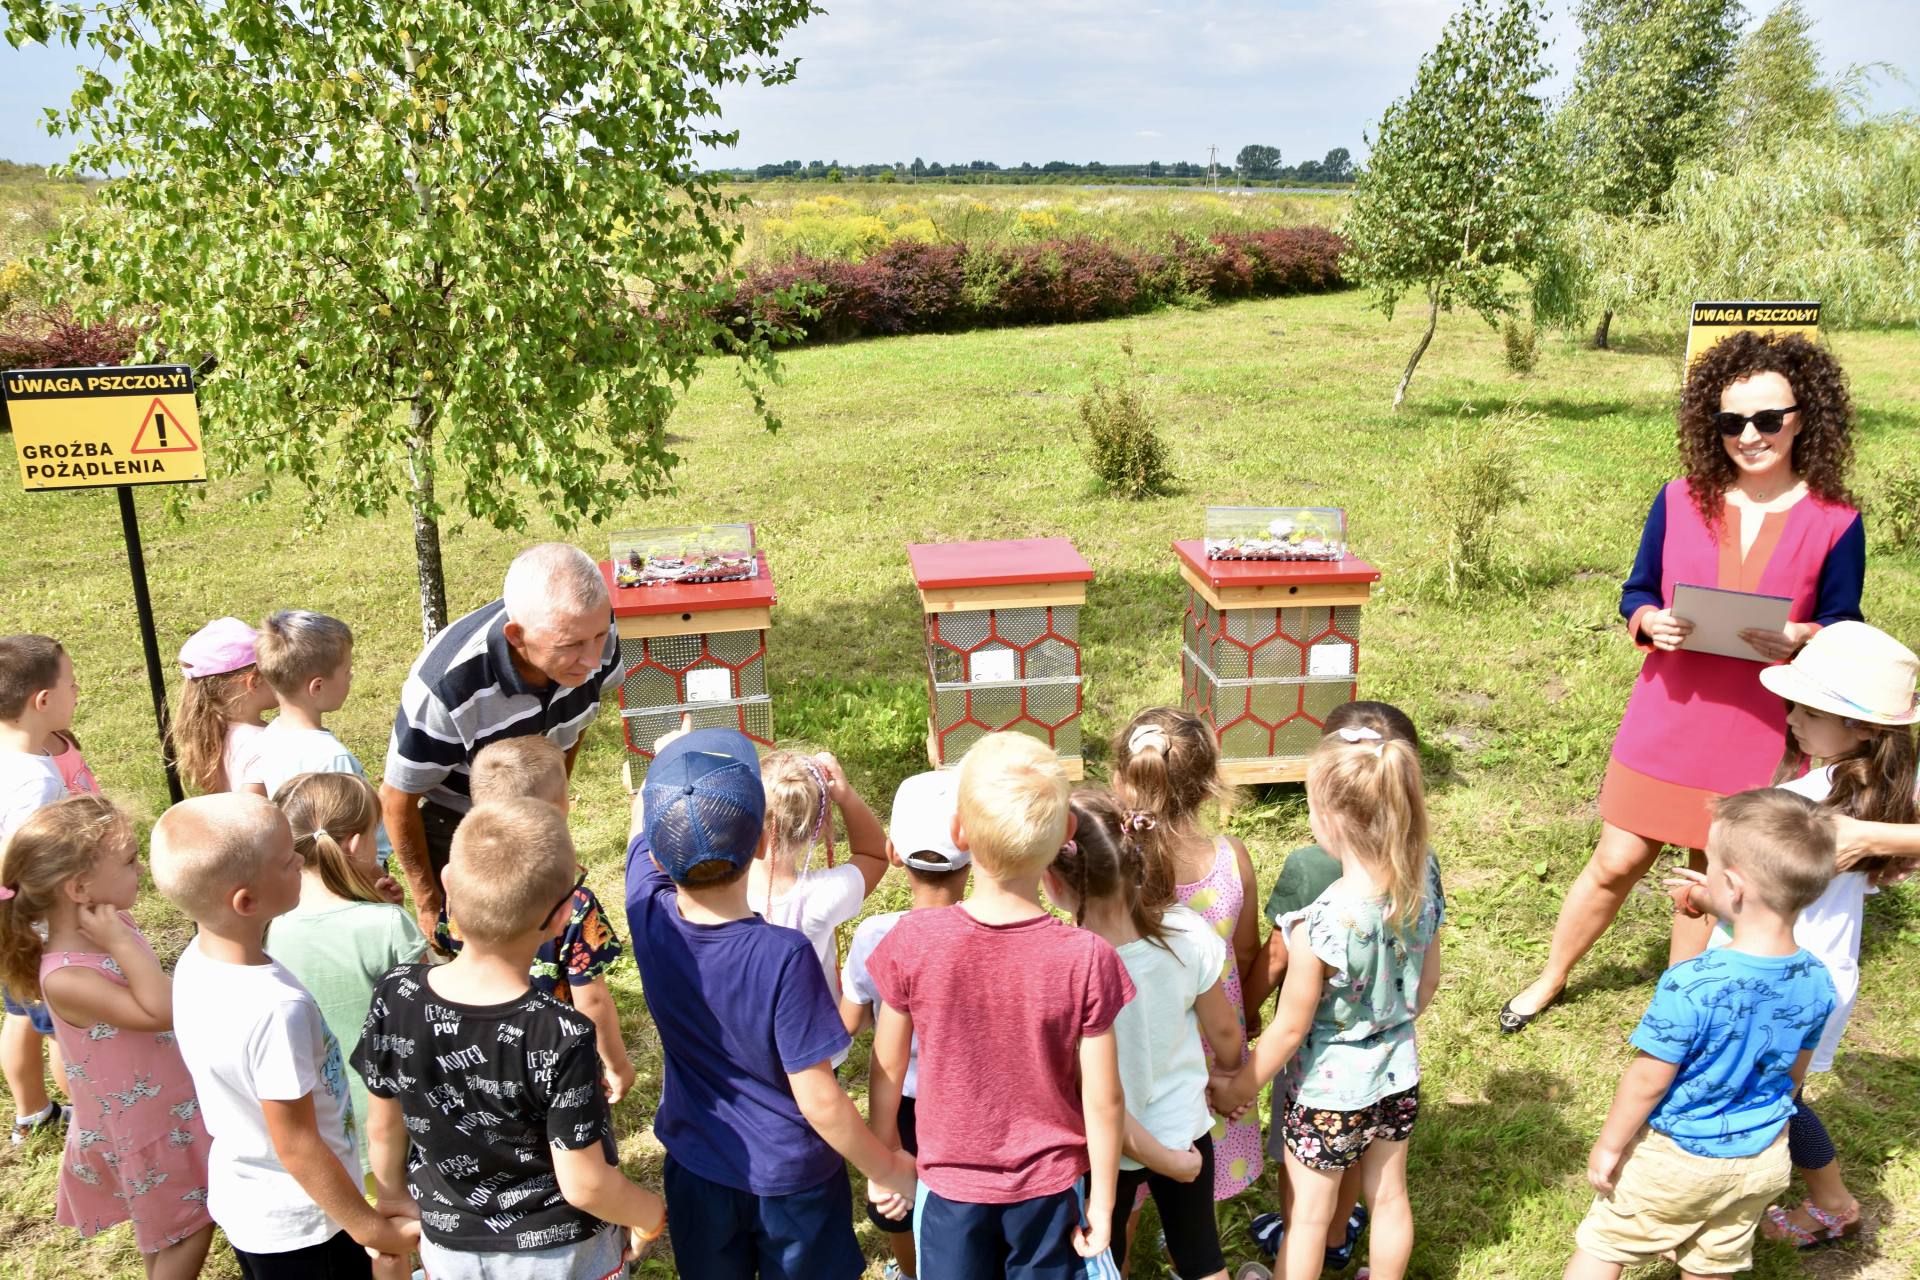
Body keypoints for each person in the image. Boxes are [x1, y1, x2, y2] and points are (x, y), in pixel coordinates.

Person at [1503, 331, 1866, 1033]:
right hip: (1668, 711)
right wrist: (1649, 620)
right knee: (1614, 862)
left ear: (1804, 416)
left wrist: (1802, 636)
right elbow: (1635, 591)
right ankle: (1549, 978)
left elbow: (1843, 626)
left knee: (1708, 884)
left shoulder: (1836, 523)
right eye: (1731, 422)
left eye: (1768, 419)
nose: (1750, 435)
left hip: (1761, 729)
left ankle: (1676, 1016)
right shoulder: (1678, 499)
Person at [622, 723, 916, 1279]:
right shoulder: (784, 955)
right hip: (793, 1181)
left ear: (658, 857)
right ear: (761, 842)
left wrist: (664, 761)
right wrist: (886, 1168)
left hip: (699, 1166)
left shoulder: (646, 912)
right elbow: (820, 1099)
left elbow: (640, 831)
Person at [1665, 622, 1918, 1248]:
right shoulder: (1898, 784)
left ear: (1863, 728)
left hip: (1763, 974)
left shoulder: (1798, 799)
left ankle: (1783, 1203)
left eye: (1811, 708)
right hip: (1825, 975)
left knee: (1762, 1097)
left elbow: (1743, 898)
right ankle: (1812, 1199)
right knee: (1780, 1092)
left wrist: (1697, 896)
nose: (1794, 717)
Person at [354, 799, 665, 1279]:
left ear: (447, 886)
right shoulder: (562, 1033)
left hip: (449, 1248)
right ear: (563, 917)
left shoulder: (395, 994)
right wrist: (648, 1214)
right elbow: (585, 1185)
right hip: (561, 1257)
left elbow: (383, 1125)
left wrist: (393, 1196)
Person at [867, 731, 1133, 1280]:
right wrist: (1104, 1202)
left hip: (947, 1190)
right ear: (1066, 833)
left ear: (959, 831)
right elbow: (1104, 1098)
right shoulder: (1086, 956)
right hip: (1051, 1192)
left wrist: (885, 1160)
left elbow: (887, 1068)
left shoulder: (913, 941)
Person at [1562, 788, 1837, 1280]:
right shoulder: (1818, 978)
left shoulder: (1694, 982)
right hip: (1762, 1156)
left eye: (1708, 863)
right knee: (1715, 1260)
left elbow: (1648, 1080)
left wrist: (1609, 1145)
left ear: (1732, 886)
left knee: (1605, 1244)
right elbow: (1794, 1079)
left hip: (1678, 1157)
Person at [151, 793, 419, 1279]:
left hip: (249, 1203)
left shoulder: (195, 959)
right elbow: (297, 1145)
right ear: (246, 901)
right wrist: (371, 1230)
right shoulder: (277, 1008)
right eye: (285, 860)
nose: (300, 858)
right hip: (308, 1225)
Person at [1210, 728, 1445, 1280]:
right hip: (1398, 1074)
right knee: (1388, 1198)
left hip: (1326, 1095)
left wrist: (1240, 1088)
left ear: (1331, 821)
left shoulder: (1321, 924)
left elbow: (1289, 1029)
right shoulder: (1423, 889)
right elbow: (1426, 987)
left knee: (1310, 1219)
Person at [0, 794, 214, 1279]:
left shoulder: (110, 928)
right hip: (147, 1124)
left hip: (166, 1109)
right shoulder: (65, 976)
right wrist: (121, 942)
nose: (140, 868)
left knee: (167, 1230)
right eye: (128, 860)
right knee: (191, 1225)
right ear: (79, 888)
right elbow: (162, 1011)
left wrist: (120, 937)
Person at [1046, 787, 1241, 1280]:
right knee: (1202, 1257)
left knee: (1102, 1251)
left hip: (1101, 1147)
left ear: (1052, 880)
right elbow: (1224, 1031)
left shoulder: (1060, 963)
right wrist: (1227, 1073)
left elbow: (1083, 1086)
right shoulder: (1187, 932)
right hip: (1185, 1132)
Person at [383, 543, 622, 942]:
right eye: (571, 646)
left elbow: (577, 722)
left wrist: (551, 812)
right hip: (461, 826)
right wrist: (428, 903)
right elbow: (396, 802)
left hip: (536, 807)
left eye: (599, 635)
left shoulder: (593, 631)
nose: (594, 660)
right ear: (517, 636)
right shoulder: (446, 690)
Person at [1111, 706, 1263, 1199]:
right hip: (1211, 1058)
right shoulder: (1231, 858)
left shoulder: (1107, 868)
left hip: (1130, 1052)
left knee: (1122, 1191)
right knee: (1198, 1181)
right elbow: (1243, 954)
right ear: (1208, 785)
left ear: (1121, 780)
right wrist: (1242, 1039)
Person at [438, 735, 635, 1103]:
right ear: (557, 808)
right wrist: (616, 1064)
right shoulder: (572, 901)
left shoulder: (461, 881)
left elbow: (450, 949)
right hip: (558, 1053)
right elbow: (590, 999)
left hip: (477, 1049)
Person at [838, 769, 973, 1280]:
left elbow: (846, 1025)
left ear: (892, 851)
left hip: (902, 1103)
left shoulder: (875, 936)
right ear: (976, 850)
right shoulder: (991, 933)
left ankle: (911, 1271)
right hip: (967, 1101)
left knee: (898, 1201)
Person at [264, 772, 429, 1174]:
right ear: (356, 844)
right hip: (398, 1129)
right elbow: (429, 1024)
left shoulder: (268, 927)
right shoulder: (388, 926)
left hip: (319, 1129)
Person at [0, 632, 82, 1146]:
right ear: (43, 701)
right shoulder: (37, 780)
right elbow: (26, 858)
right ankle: (95, 1118)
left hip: (7, 922)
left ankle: (31, 1113)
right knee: (65, 1028)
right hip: (33, 920)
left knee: (18, 1013)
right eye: (72, 684)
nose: (78, 692)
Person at [752, 748, 889, 1001]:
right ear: (821, 825)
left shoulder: (723, 885)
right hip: (818, 1033)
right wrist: (846, 797)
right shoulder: (825, 894)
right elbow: (876, 855)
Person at [172, 617, 277, 795]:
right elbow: (249, 814)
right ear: (254, 682)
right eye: (273, 669)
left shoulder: (213, 732)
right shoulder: (266, 745)